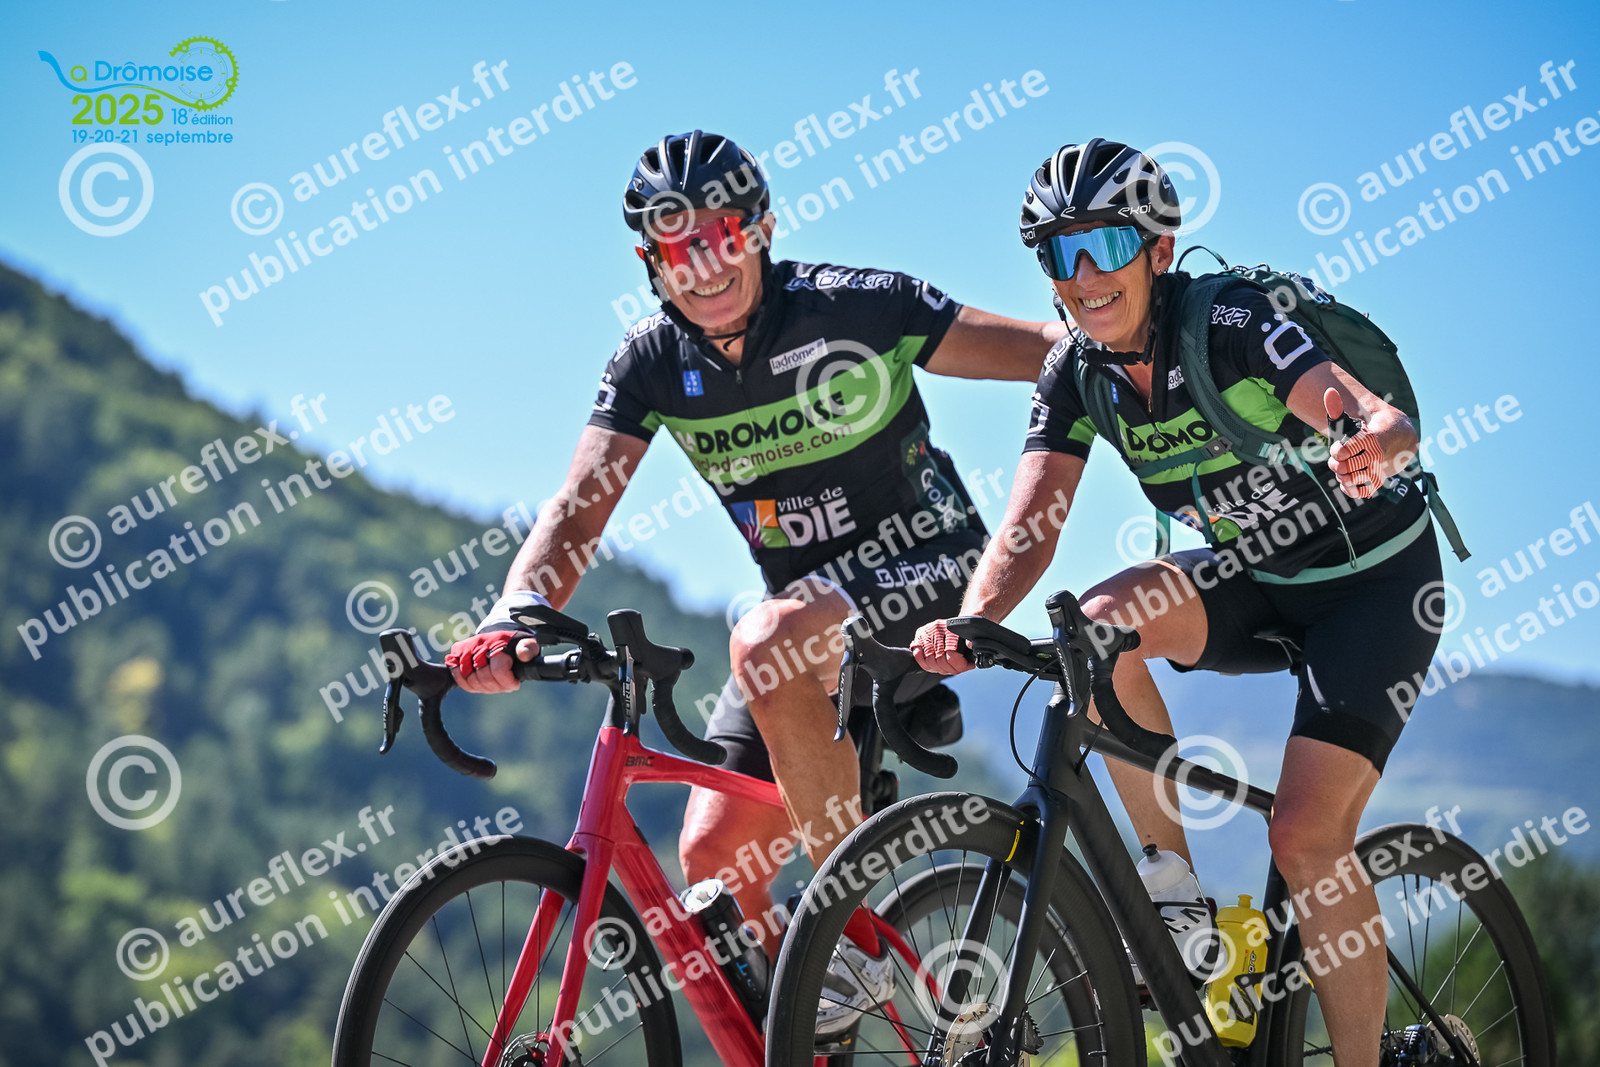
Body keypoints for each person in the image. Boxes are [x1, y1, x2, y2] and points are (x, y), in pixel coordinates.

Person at [446, 130, 1064, 1038]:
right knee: (714, 858)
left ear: (762, 230)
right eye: (676, 246)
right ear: (649, 262)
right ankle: (817, 1033)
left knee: (766, 638)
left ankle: (843, 938)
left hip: (930, 572)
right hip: (804, 622)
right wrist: (517, 611)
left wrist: (1162, 353)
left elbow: (1052, 350)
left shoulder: (858, 307)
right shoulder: (650, 361)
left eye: (721, 234)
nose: (703, 265)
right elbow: (577, 509)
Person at [911, 139, 1444, 1067]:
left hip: (1375, 586)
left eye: (1108, 243)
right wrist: (973, 617)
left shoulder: (1230, 318)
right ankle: (1178, 903)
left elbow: (1355, 406)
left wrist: (1374, 435)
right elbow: (1030, 524)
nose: (1086, 275)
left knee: (1305, 836)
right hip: (1257, 576)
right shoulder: (1074, 371)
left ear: (1159, 249)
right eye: (1061, 252)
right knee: (1093, 630)